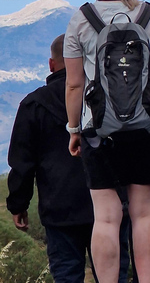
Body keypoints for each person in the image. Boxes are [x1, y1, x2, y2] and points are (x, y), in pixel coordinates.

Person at [64, 0, 150, 283]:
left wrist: (73, 130)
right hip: (146, 127)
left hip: (99, 130)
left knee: (106, 218)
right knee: (144, 215)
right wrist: (144, 75)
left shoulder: (81, 20)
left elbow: (73, 84)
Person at [7, 34, 130, 283]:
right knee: (114, 275)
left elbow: (22, 162)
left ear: (51, 65)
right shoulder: (110, 98)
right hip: (109, 207)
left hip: (60, 210)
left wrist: (18, 204)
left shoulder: (33, 105)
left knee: (66, 275)